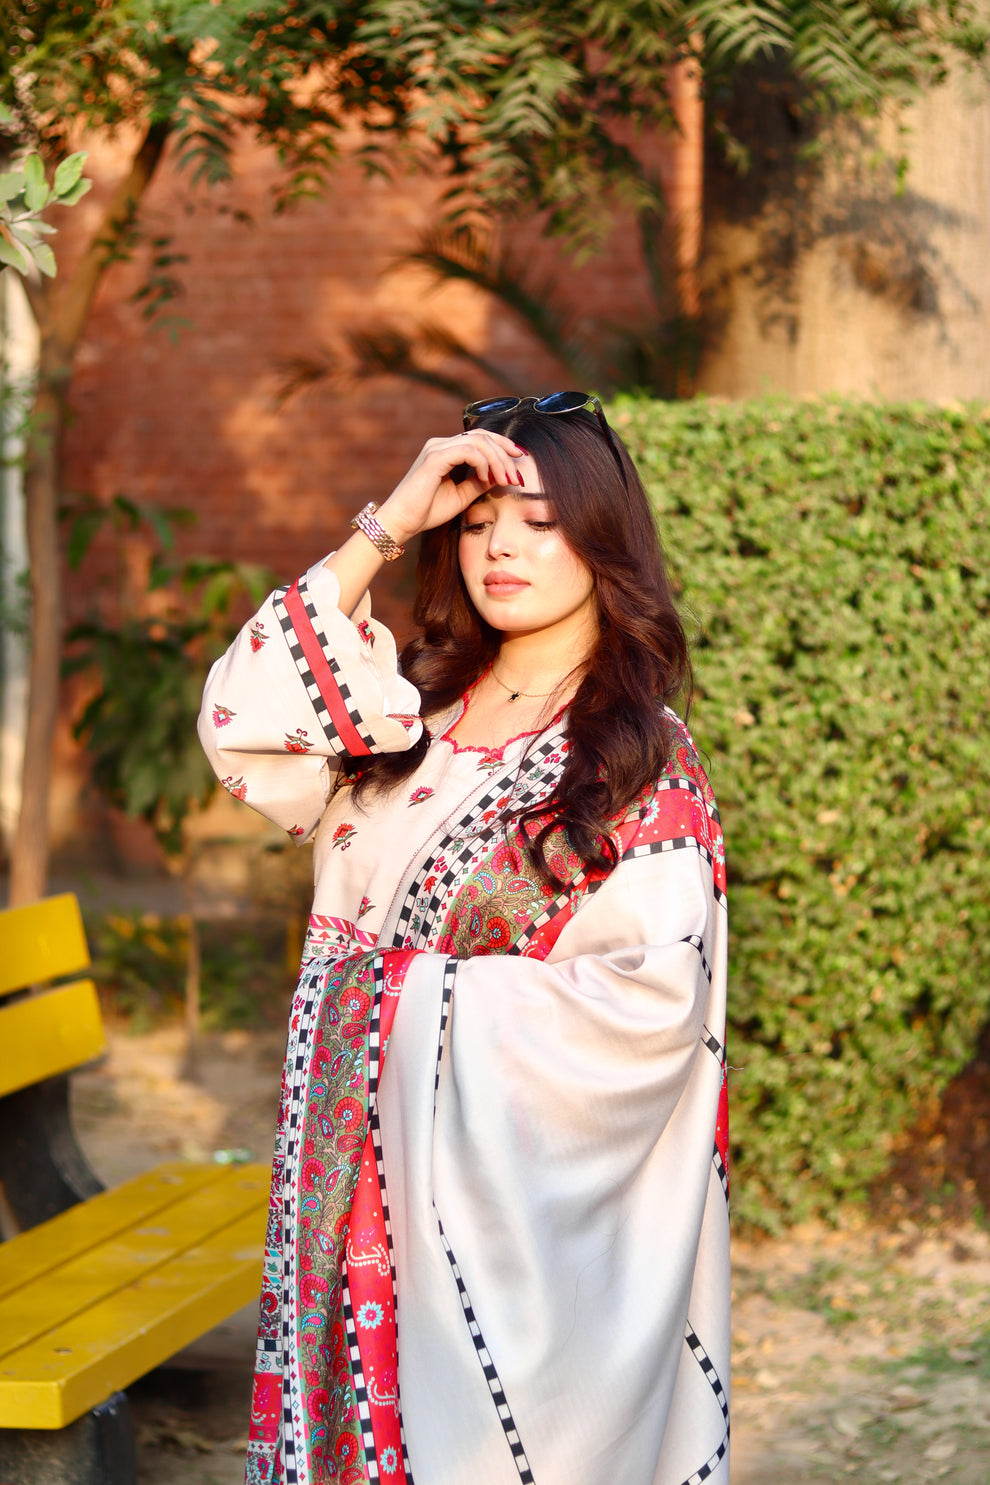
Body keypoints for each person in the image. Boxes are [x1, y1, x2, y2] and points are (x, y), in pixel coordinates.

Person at [198, 392, 729, 1485]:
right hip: (345, 1189)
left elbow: (653, 1005)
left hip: (503, 1221)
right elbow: (241, 719)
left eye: (539, 522)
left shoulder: (633, 756)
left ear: (602, 538)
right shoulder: (408, 717)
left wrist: (399, 1000)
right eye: (478, 522)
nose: (500, 548)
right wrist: (389, 521)